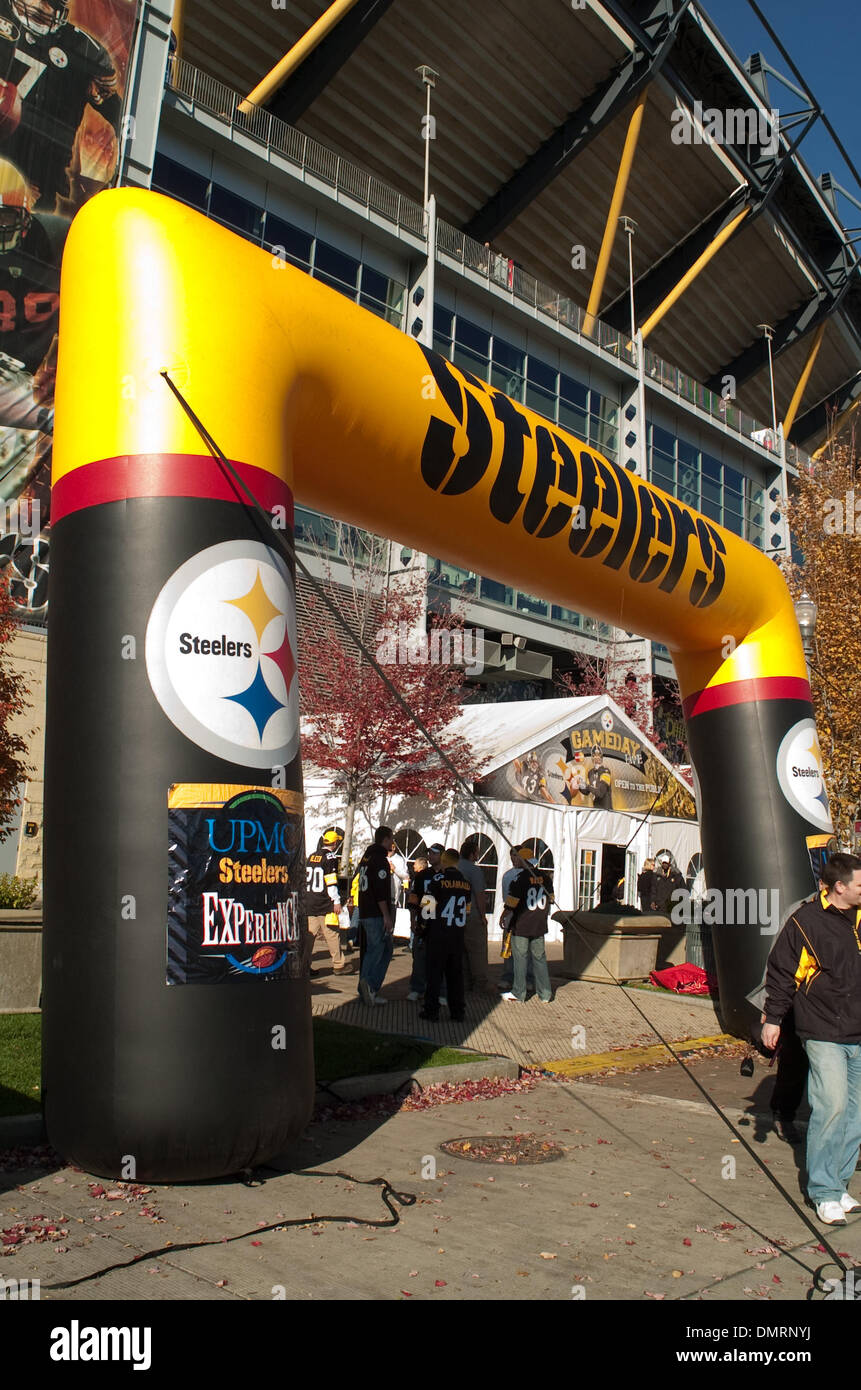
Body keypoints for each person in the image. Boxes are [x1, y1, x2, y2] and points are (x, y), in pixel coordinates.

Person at [762, 852, 861, 1225]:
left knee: (856, 1116)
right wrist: (773, 1020)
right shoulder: (805, 921)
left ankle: (838, 1184)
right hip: (823, 1030)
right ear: (840, 887)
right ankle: (822, 1192)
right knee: (832, 1106)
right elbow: (782, 972)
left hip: (859, 1030)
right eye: (860, 884)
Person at [420, 848, 471, 1022]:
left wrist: (422, 929)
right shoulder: (465, 884)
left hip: (438, 934)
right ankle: (458, 1012)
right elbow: (467, 911)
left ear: (443, 861)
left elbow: (426, 910)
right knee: (455, 976)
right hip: (456, 935)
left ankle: (431, 1011)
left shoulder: (437, 881)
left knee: (434, 975)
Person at [500, 845, 553, 1004]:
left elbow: (511, 903)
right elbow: (551, 899)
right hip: (539, 923)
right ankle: (545, 994)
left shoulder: (520, 878)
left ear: (524, 861)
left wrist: (504, 916)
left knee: (520, 958)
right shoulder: (545, 877)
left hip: (522, 923)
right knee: (540, 958)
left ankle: (519, 992)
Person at [356, 826, 396, 1006]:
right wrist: (386, 915)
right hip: (375, 913)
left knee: (377, 949)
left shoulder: (366, 857)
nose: (392, 842)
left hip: (364, 909)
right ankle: (370, 986)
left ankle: (366, 988)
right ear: (386, 839)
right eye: (391, 839)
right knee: (380, 949)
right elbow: (380, 890)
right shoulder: (380, 860)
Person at [304, 830, 348, 975]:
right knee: (332, 934)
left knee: (309, 936)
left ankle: (304, 967)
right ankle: (338, 965)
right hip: (324, 902)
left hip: (310, 901)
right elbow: (331, 882)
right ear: (334, 843)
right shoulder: (330, 857)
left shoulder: (311, 856)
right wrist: (336, 901)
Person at [407, 845, 443, 1001]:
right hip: (423, 920)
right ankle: (417, 988)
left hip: (441, 922)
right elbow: (414, 899)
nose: (431, 856)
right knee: (420, 956)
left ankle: (440, 991)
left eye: (434, 853)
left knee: (440, 958)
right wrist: (412, 919)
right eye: (429, 853)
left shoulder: (447, 875)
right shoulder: (422, 876)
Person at [459, 835, 492, 993]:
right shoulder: (474, 870)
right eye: (477, 853)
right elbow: (480, 895)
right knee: (477, 952)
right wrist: (483, 916)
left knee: (462, 952)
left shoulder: (453, 867)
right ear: (472, 854)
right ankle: (479, 985)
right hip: (471, 915)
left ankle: (464, 984)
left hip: (455, 917)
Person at [499, 847, 534, 992]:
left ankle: (528, 978)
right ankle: (508, 976)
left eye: (517, 855)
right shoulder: (507, 875)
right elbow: (506, 896)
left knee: (527, 950)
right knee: (509, 948)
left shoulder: (530, 875)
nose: (514, 858)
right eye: (512, 855)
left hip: (526, 916)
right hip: (511, 916)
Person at [586, 746, 612, 810]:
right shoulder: (590, 772)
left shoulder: (606, 771)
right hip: (596, 808)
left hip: (606, 809)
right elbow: (586, 792)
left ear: (602, 758)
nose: (597, 758)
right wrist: (580, 785)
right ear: (592, 758)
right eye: (594, 756)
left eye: (599, 756)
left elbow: (600, 793)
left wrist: (586, 786)